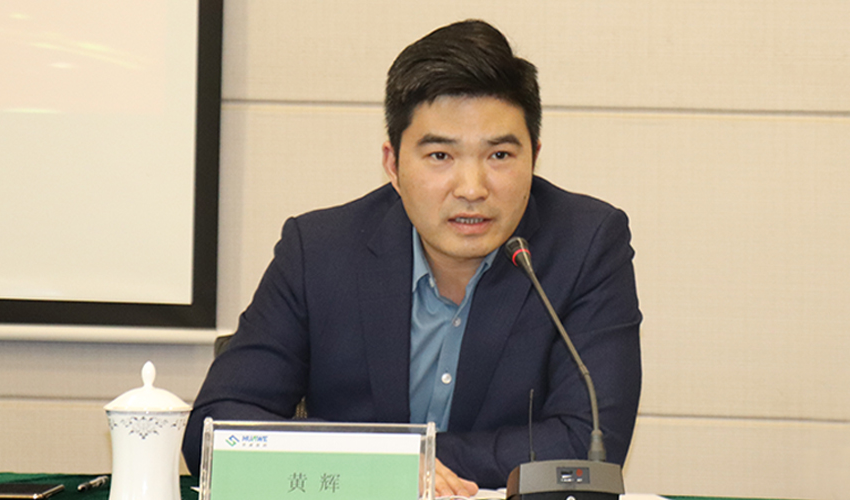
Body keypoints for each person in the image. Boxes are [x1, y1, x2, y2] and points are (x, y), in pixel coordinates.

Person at [182, 19, 641, 496]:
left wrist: (399, 464)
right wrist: (388, 468)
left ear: (534, 156)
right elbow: (215, 433)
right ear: (393, 165)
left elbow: (589, 444)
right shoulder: (318, 251)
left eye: (500, 156)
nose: (472, 189)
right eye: (440, 156)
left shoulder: (586, 245)